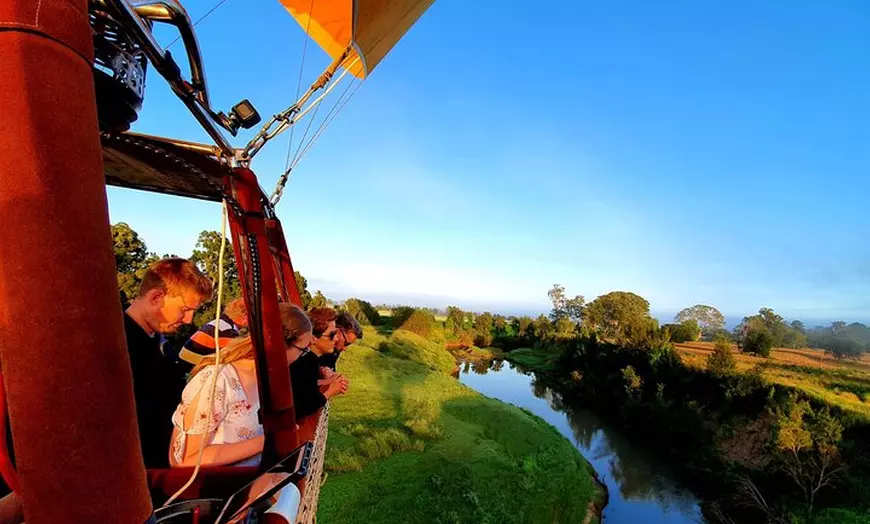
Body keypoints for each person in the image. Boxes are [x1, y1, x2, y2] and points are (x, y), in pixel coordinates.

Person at [170, 303, 311, 467]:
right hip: (218, 489)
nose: (302, 356)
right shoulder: (217, 381)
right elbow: (189, 459)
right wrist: (271, 440)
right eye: (302, 350)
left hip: (250, 484)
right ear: (280, 344)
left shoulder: (265, 379)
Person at [124, 258, 212, 468]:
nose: (189, 320)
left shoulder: (158, 342)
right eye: (185, 309)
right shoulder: (120, 348)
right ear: (156, 297)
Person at [289, 307, 348, 420]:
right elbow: (302, 407)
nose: (336, 339)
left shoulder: (308, 358)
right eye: (332, 335)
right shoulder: (306, 361)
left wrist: (329, 381)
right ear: (313, 338)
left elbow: (303, 385)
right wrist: (330, 391)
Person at [178, 297, 248, 372]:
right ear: (245, 316)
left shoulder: (221, 323)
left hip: (188, 365)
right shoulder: (226, 331)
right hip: (192, 370)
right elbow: (231, 359)